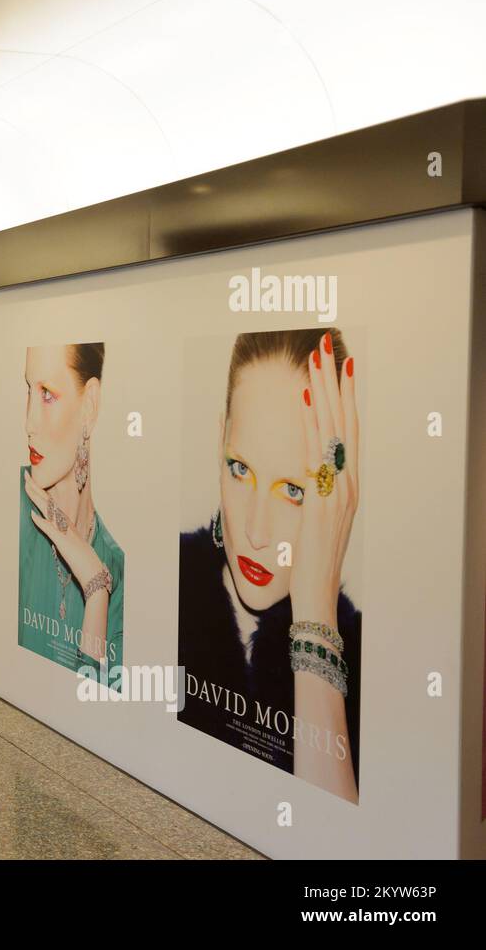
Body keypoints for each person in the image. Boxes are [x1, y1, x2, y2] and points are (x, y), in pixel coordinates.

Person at [178, 328, 360, 803]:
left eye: (294, 491)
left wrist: (316, 617)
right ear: (220, 439)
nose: (256, 531)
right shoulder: (171, 587)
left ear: (335, 500)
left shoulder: (366, 666)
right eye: (240, 468)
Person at [18, 343, 125, 684]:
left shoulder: (115, 567)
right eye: (29, 391)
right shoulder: (15, 507)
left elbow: (92, 693)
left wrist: (96, 588)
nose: (29, 423)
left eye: (47, 394)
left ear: (89, 406)